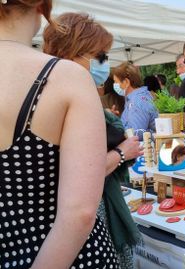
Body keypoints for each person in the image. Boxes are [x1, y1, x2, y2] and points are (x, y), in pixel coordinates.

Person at [0, 1, 118, 268]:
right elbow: (79, 214)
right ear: (43, 6)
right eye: (100, 56)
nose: (104, 64)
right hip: (71, 257)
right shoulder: (66, 78)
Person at [43, 12, 143, 267]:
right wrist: (121, 152)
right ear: (73, 54)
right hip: (82, 231)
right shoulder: (69, 101)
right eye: (100, 56)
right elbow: (83, 175)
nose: (104, 64)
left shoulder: (46, 95)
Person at [112, 62, 158, 138]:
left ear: (126, 82)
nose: (114, 85)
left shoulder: (137, 101)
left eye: (116, 82)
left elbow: (135, 135)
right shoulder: (134, 99)